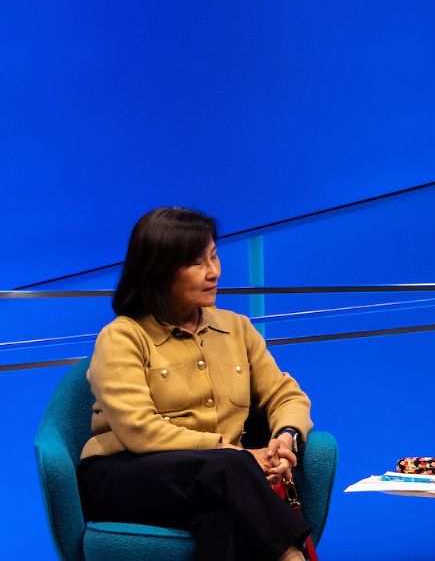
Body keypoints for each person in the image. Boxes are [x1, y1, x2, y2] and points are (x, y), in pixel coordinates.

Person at [80, 207, 315, 561]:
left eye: (214, 257)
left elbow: (285, 395)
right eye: (196, 262)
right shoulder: (122, 337)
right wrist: (234, 454)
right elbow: (138, 429)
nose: (213, 272)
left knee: (223, 517)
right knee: (229, 472)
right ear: (159, 270)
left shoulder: (236, 328)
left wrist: (285, 439)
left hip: (218, 481)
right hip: (125, 476)